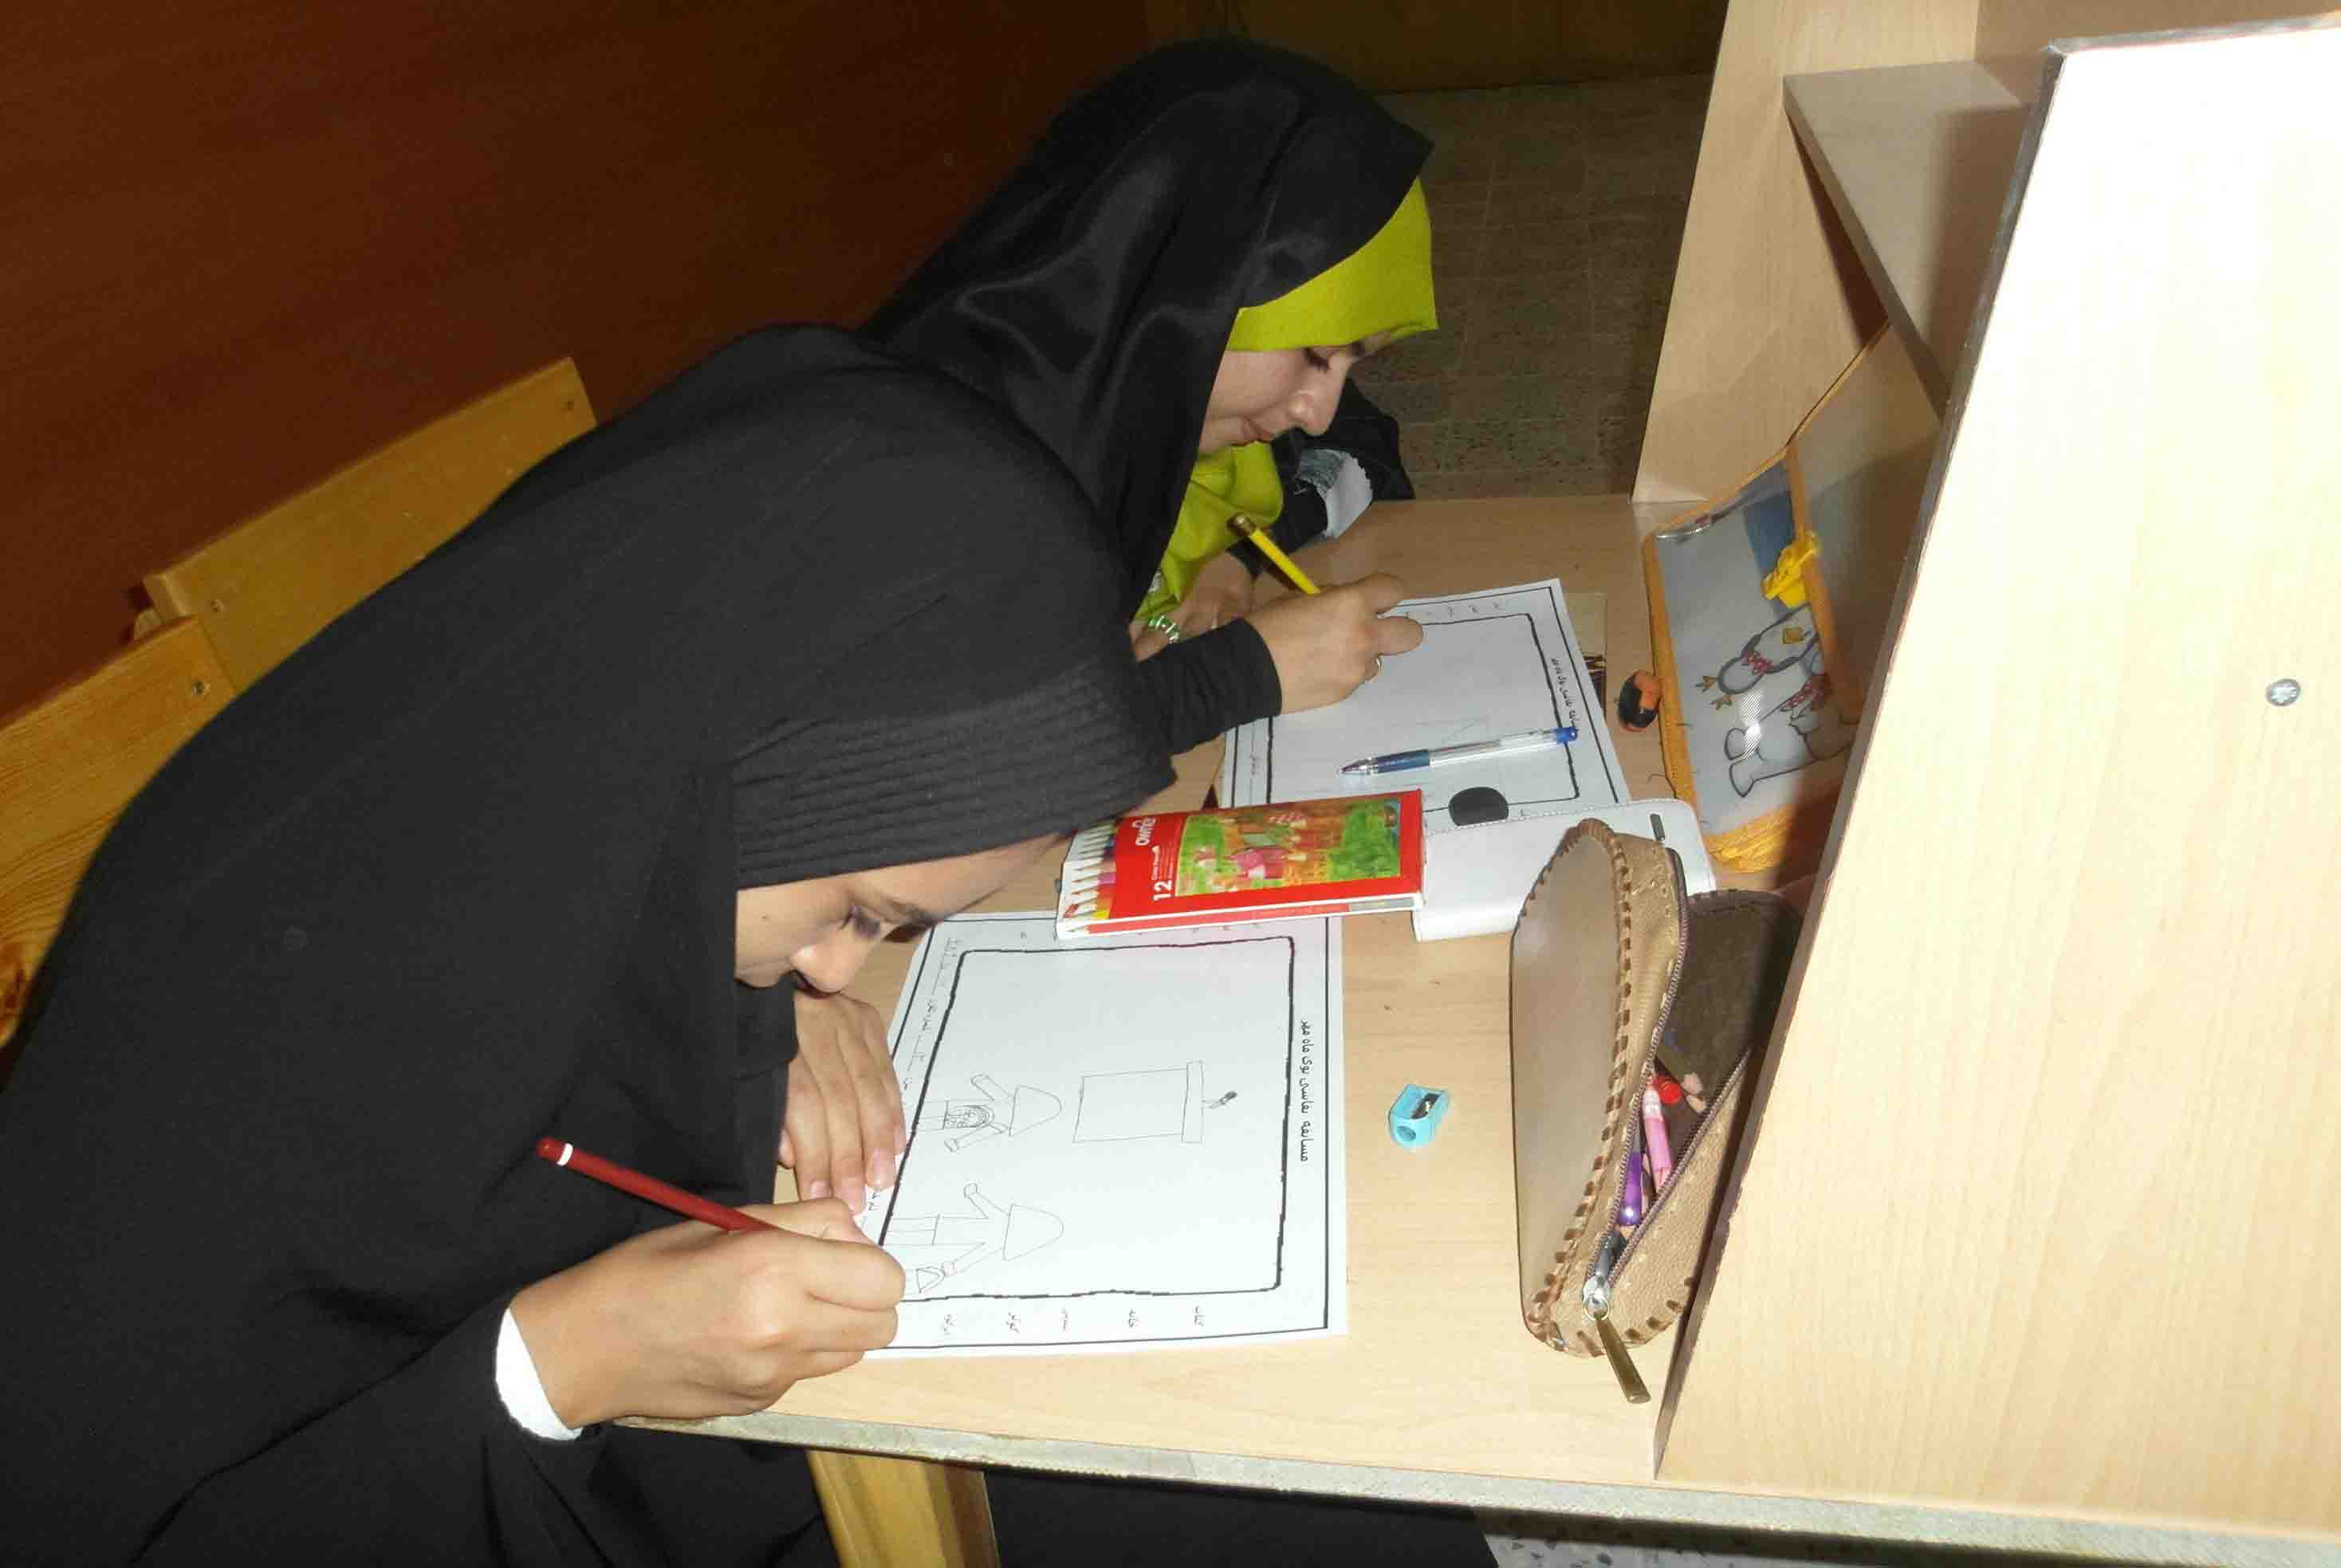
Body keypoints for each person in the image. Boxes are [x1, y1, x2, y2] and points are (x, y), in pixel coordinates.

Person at [0, 326, 1173, 1564]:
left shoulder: (590, 777)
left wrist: (767, 1004)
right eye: (857, 912)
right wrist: (558, 1360)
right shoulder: (243, 1052)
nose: (842, 970)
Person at [867, 40, 1441, 757]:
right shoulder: (946, 468)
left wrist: (1240, 555)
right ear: (1195, 293)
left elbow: (1358, 444)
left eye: (1352, 362)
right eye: (1317, 355)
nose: (1317, 409)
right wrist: (1235, 677)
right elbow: (923, 771)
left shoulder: (1156, 362)